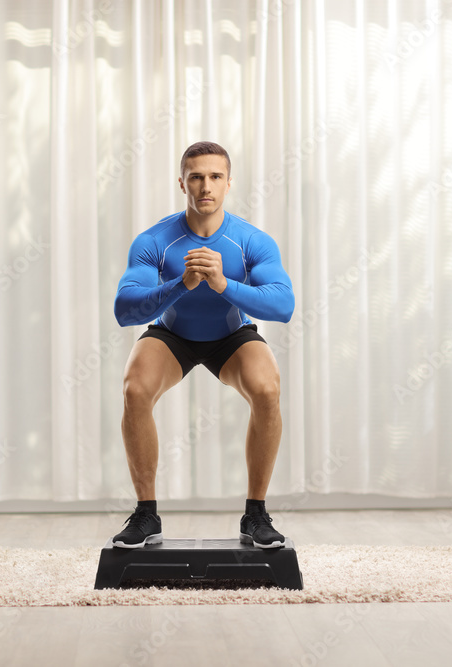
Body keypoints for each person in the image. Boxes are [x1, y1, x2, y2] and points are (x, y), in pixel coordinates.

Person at [111, 141, 295, 549]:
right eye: (196, 177)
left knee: (267, 388)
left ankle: (256, 513)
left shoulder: (251, 240)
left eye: (214, 177)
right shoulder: (155, 240)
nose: (205, 186)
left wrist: (224, 284)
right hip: (173, 335)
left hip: (230, 336)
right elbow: (125, 311)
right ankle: (146, 514)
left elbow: (283, 306)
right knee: (135, 388)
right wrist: (181, 284)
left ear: (229, 183)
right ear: (182, 183)